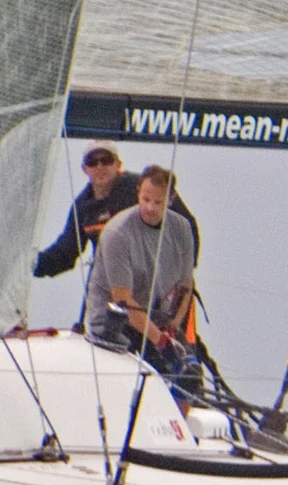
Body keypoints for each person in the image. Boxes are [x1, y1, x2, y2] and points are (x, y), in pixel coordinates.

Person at [85, 166, 204, 396]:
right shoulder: (117, 233)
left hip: (156, 318)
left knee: (190, 374)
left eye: (158, 202)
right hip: (117, 321)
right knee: (153, 372)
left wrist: (173, 327)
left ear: (171, 200)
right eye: (145, 199)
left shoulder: (181, 228)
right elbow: (124, 301)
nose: (150, 208)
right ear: (138, 193)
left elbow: (186, 285)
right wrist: (160, 343)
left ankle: (178, 425)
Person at [33, 143, 198, 281]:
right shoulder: (83, 206)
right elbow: (65, 253)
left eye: (106, 160)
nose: (100, 167)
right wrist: (29, 264)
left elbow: (186, 225)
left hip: (154, 283)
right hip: (109, 287)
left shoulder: (140, 187)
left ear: (118, 165)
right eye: (92, 162)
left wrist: (182, 275)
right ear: (84, 169)